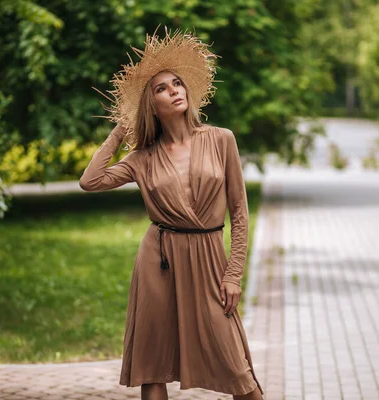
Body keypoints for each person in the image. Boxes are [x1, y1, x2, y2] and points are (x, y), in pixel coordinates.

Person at [79, 28, 263, 400]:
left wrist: (233, 274)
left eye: (177, 83)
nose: (174, 90)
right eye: (161, 88)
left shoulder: (221, 139)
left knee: (236, 367)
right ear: (151, 105)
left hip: (210, 258)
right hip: (158, 261)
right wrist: (119, 132)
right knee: (153, 364)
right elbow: (90, 180)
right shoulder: (142, 157)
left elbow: (240, 212)